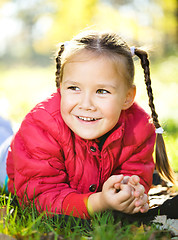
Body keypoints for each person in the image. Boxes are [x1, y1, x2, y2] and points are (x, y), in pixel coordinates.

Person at [3, 30, 174, 219]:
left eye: (102, 91)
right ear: (60, 86)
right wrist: (99, 202)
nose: (86, 104)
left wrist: (129, 192)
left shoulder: (138, 128)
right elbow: (39, 198)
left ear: (127, 97)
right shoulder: (40, 127)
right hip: (9, 157)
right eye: (74, 88)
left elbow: (135, 174)